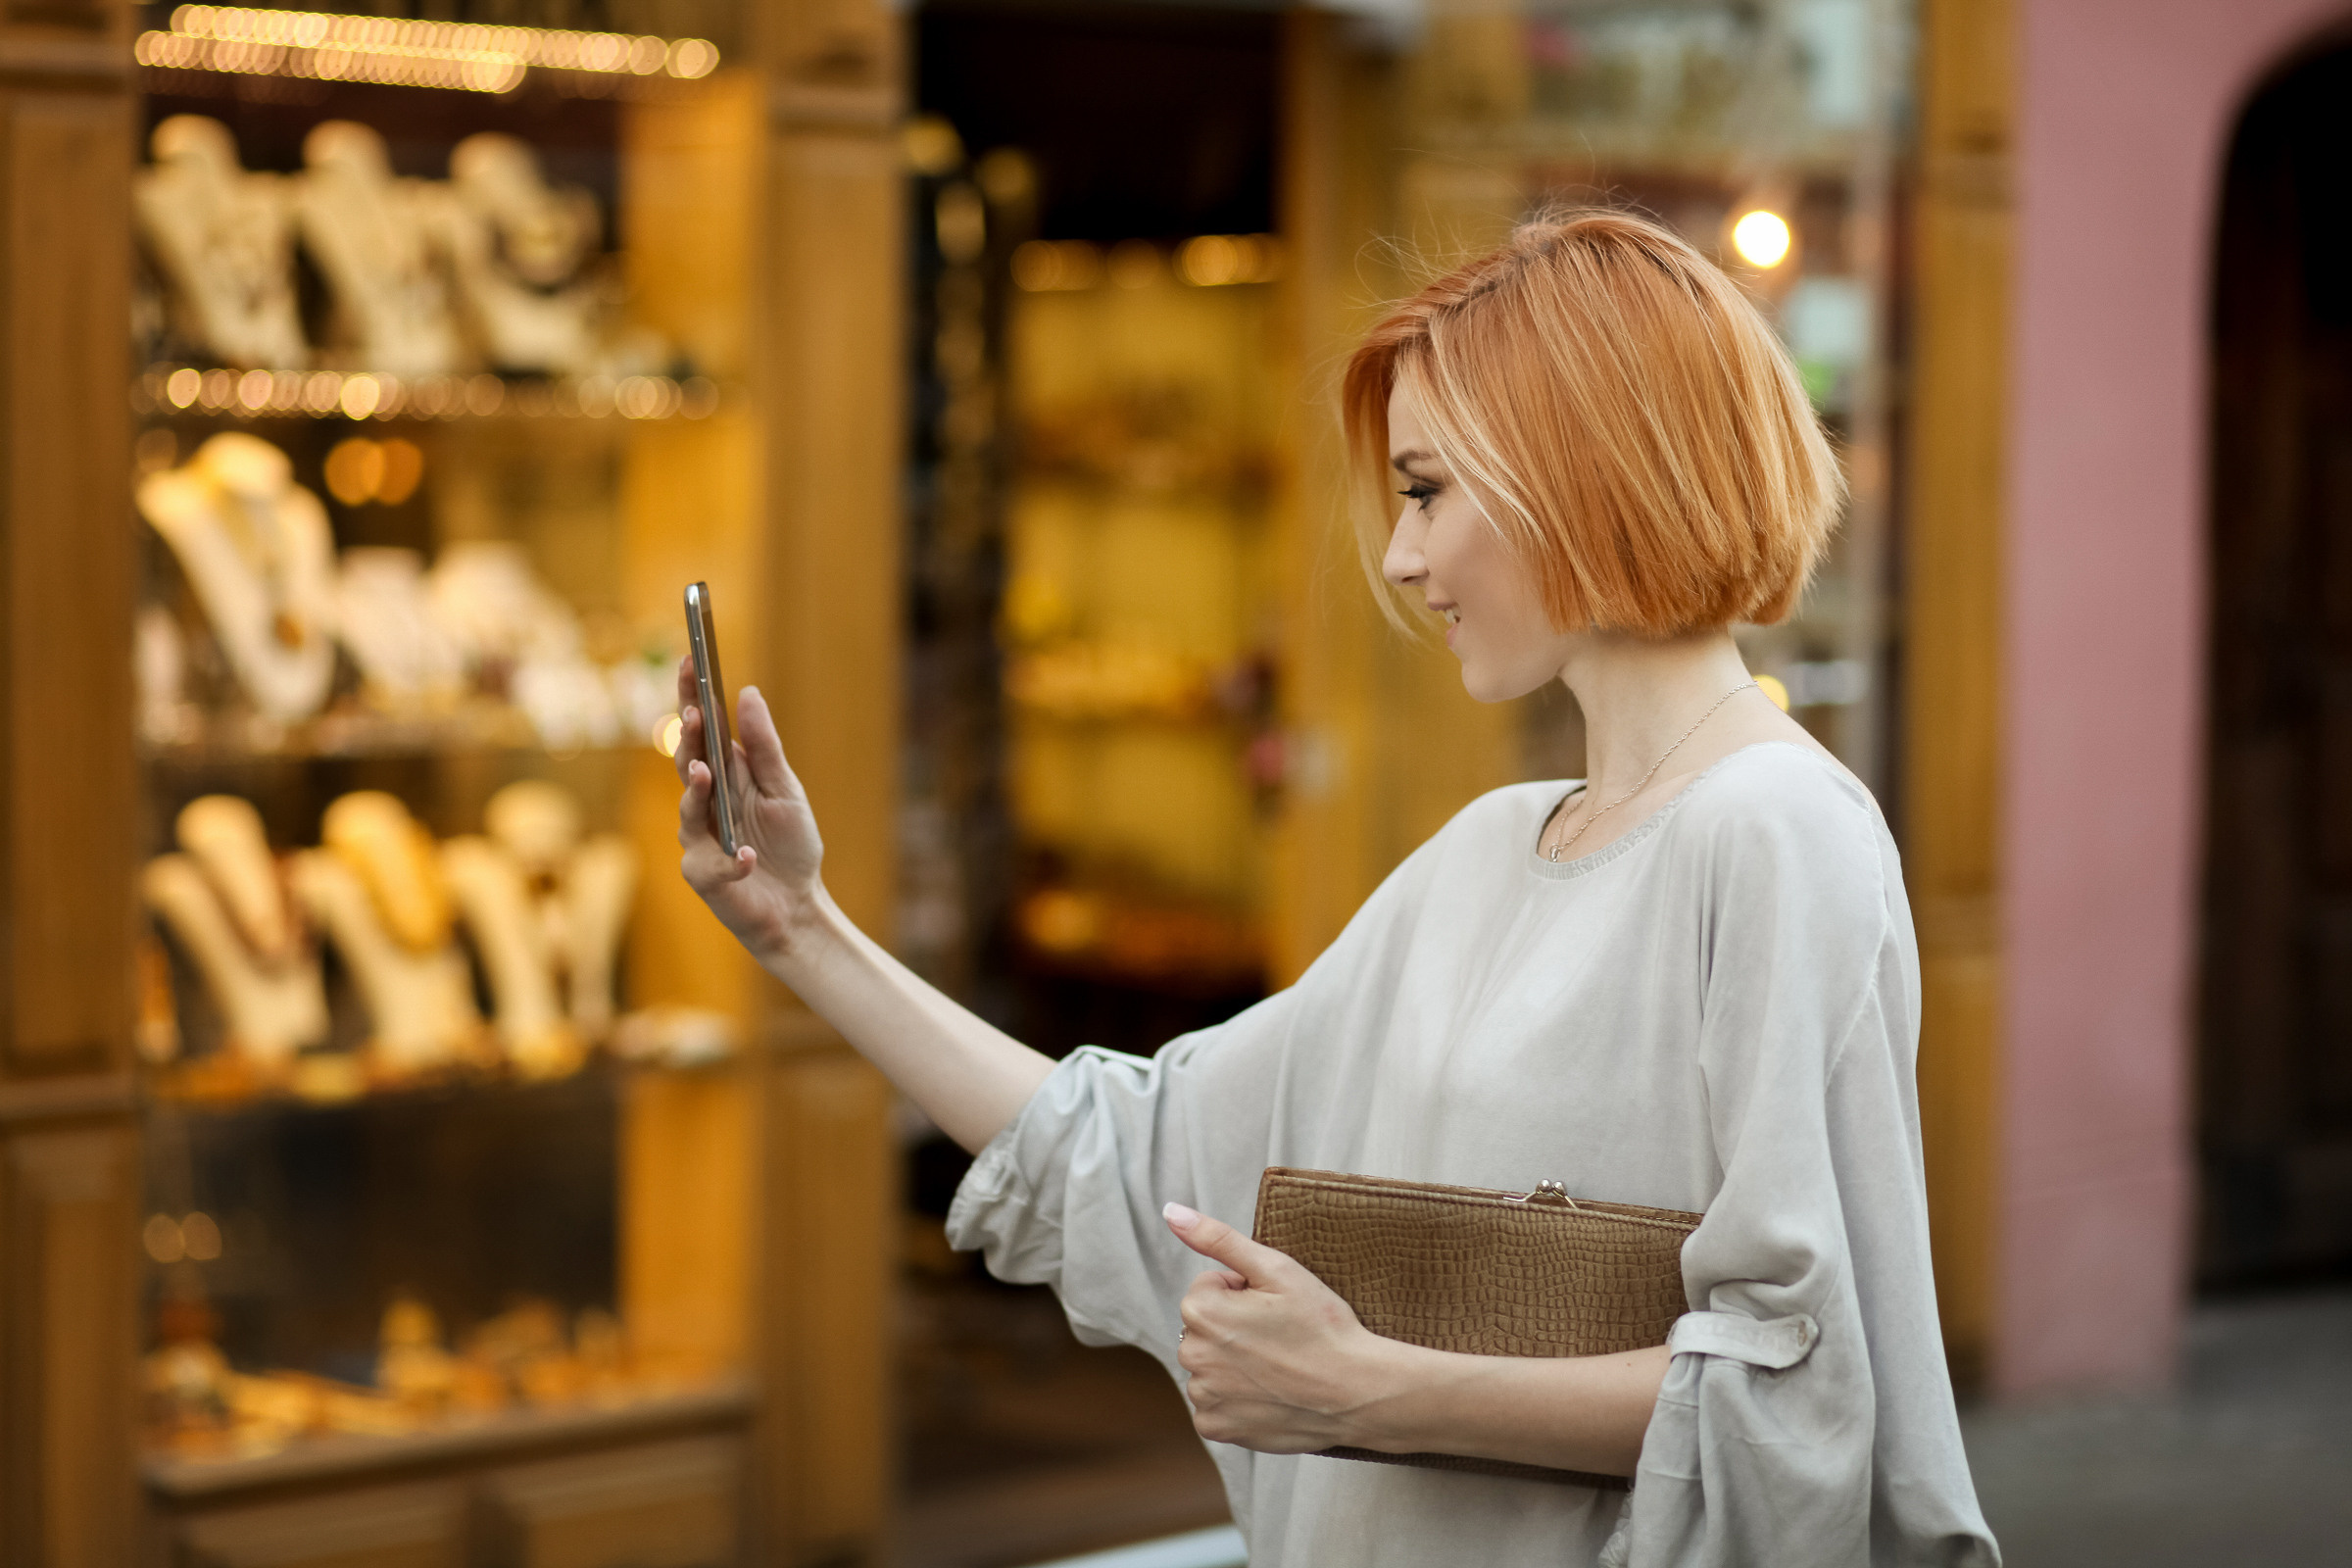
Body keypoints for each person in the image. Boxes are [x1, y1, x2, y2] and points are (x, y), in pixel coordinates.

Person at [674, 209, 2000, 1567]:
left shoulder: (1776, 835)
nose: (1401, 558)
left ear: (1585, 469)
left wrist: (1365, 1390)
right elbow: (1135, 1158)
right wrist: (799, 926)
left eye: (1427, 490)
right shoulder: (1495, 849)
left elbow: (1801, 1400)